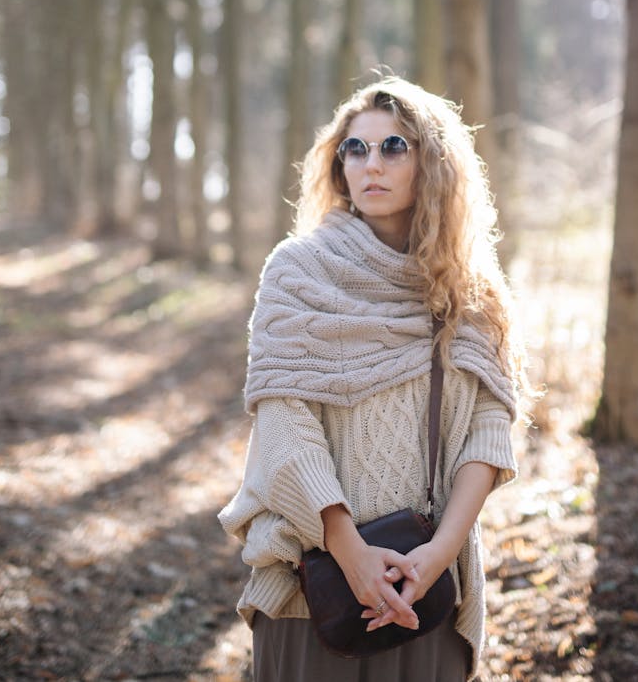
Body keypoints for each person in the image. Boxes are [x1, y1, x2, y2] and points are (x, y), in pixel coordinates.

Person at [219, 76, 522, 682]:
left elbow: (488, 435)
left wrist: (438, 556)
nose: (370, 164)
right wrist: (347, 549)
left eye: (393, 147)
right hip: (314, 592)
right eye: (354, 149)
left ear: (432, 164)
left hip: (424, 596)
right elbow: (284, 421)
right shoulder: (298, 272)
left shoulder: (472, 292)